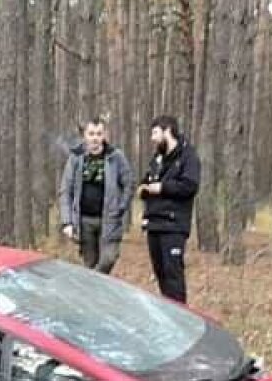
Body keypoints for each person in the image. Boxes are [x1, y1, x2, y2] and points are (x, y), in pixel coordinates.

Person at [57, 117, 135, 273]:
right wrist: (67, 222)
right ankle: (95, 292)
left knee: (108, 259)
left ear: (104, 135)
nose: (95, 138)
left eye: (99, 134)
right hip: (84, 221)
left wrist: (121, 207)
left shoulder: (116, 157)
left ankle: (94, 281)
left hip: (110, 220)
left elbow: (129, 183)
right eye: (91, 134)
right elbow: (66, 190)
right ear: (85, 136)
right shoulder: (76, 158)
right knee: (89, 263)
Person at [137, 115, 200, 303]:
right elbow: (147, 180)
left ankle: (181, 314)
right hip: (154, 223)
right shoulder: (158, 158)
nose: (152, 138)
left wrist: (163, 187)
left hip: (174, 226)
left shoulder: (188, 157)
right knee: (161, 274)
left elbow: (190, 186)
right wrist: (144, 189)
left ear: (168, 131)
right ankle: (170, 313)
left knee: (173, 275)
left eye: (155, 133)